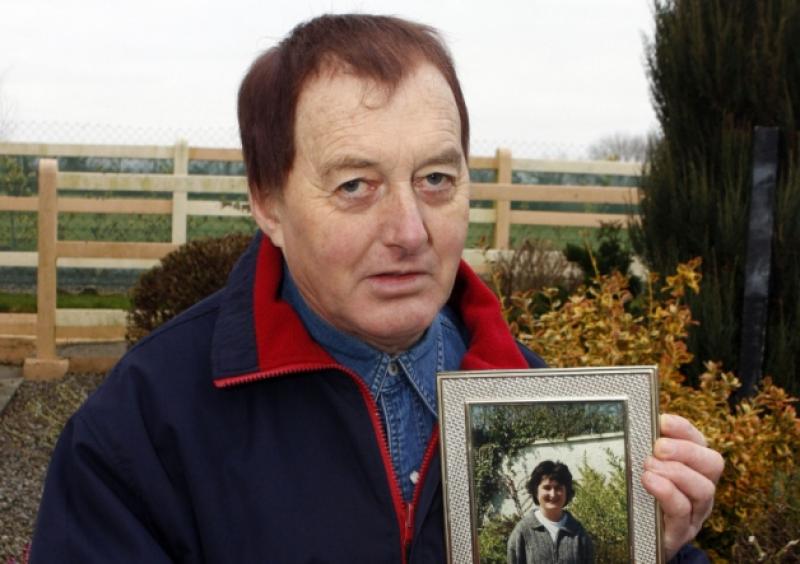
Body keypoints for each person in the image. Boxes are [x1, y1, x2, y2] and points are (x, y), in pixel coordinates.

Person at [29, 14, 723, 563]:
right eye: (356, 185)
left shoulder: (542, 411)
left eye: (436, 180)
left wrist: (639, 552)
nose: (410, 230)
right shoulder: (144, 427)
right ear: (269, 203)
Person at [507, 461, 594, 564]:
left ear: (567, 492)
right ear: (536, 491)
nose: (553, 494)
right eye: (547, 488)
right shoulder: (523, 531)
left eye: (558, 488)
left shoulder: (578, 532)